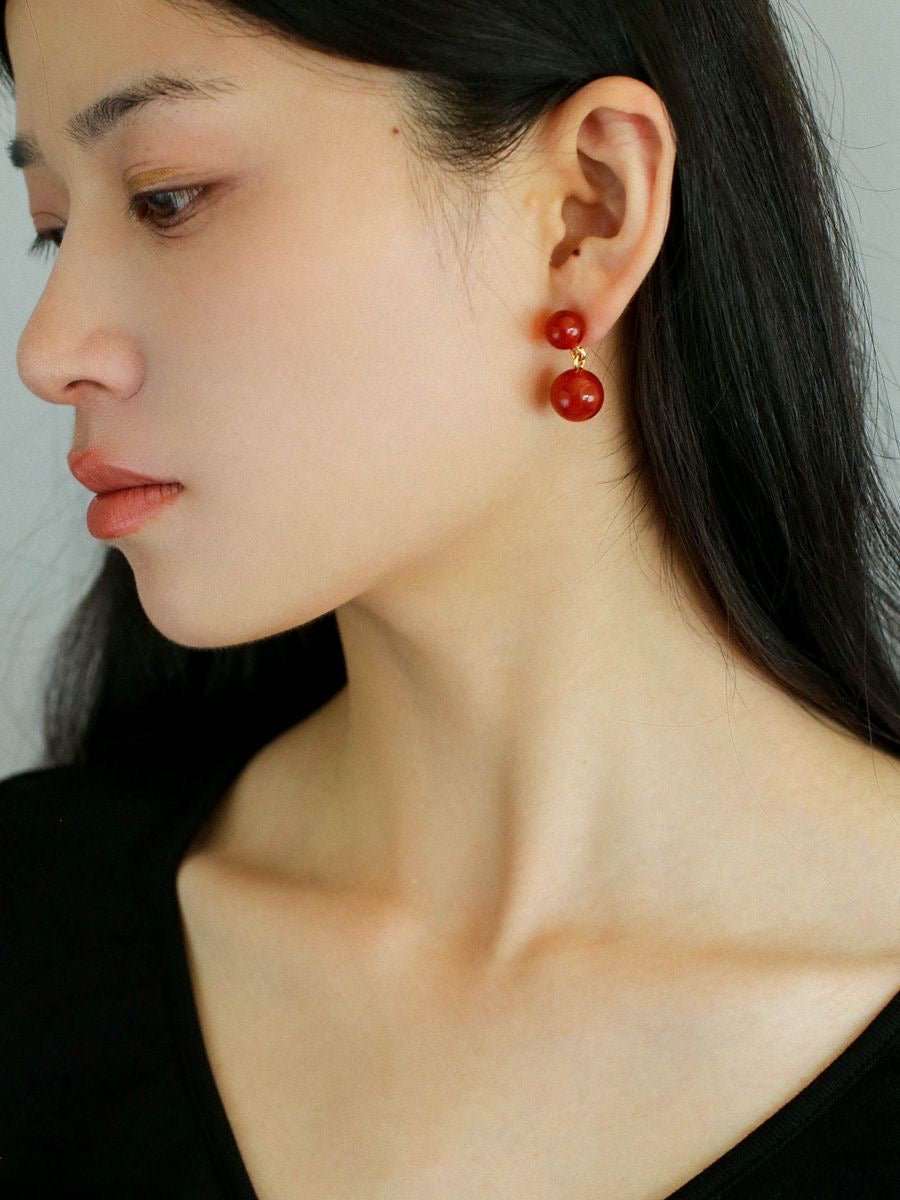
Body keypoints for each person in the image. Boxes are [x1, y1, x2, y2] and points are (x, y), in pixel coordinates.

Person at [2, 1, 898, 1197]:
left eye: (167, 198)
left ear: (587, 211)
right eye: (52, 227)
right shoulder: (29, 936)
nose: (49, 349)